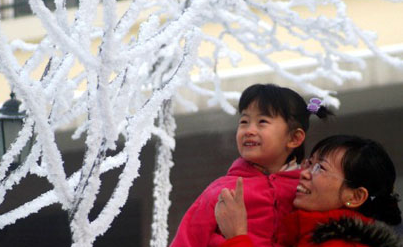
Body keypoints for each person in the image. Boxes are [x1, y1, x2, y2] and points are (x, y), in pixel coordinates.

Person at [170, 83, 332, 247]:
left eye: (262, 121)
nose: (249, 130)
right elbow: (186, 240)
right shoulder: (224, 190)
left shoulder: (306, 190)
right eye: (244, 121)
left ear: (294, 138)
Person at [215, 135, 402, 247]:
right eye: (309, 163)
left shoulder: (340, 244)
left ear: (355, 196)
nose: (304, 173)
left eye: (320, 168)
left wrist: (237, 236)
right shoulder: (305, 234)